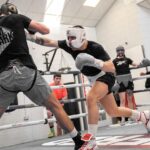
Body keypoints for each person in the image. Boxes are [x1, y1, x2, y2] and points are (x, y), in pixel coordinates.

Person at [27, 24, 150, 150]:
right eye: (68, 37)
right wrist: (30, 37)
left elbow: (112, 67)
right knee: (112, 111)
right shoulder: (68, 45)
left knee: (91, 97)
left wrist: (95, 61)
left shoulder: (95, 47)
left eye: (72, 37)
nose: (69, 41)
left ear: (82, 37)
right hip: (93, 80)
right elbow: (49, 41)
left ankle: (91, 141)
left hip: (106, 75)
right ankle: (143, 116)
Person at [0, 3, 85, 150]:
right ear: (12, 11)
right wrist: (28, 27)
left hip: (3, 76)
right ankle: (79, 142)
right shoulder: (16, 18)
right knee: (55, 106)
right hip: (24, 71)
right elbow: (45, 30)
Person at [113, 46, 138, 124]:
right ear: (116, 52)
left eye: (121, 50)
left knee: (130, 99)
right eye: (118, 50)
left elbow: (136, 64)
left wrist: (142, 63)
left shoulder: (128, 59)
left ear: (124, 51)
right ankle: (123, 118)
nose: (120, 52)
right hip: (120, 82)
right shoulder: (114, 61)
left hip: (129, 80)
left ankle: (132, 117)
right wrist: (114, 82)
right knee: (122, 100)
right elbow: (112, 71)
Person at [47, 73, 68, 137]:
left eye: (59, 78)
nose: (58, 80)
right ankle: (52, 131)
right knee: (48, 113)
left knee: (59, 124)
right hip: (52, 104)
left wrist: (59, 101)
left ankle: (59, 137)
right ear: (53, 79)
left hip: (59, 105)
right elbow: (47, 96)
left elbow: (65, 97)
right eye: (57, 78)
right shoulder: (50, 86)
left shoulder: (62, 86)